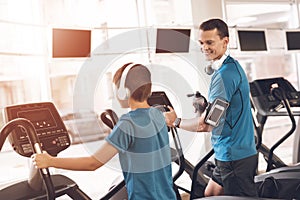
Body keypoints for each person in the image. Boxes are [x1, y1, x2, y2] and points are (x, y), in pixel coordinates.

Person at [31, 62, 177, 200]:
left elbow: (92, 163)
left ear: (123, 92)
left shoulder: (127, 124)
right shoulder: (159, 116)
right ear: (149, 90)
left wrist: (50, 161)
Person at [164, 18, 258, 197]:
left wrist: (175, 121)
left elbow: (205, 125)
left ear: (225, 41)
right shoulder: (232, 66)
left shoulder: (224, 76)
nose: (204, 47)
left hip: (234, 157)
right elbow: (221, 112)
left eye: (209, 42)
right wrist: (204, 108)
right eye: (201, 43)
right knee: (210, 195)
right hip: (230, 153)